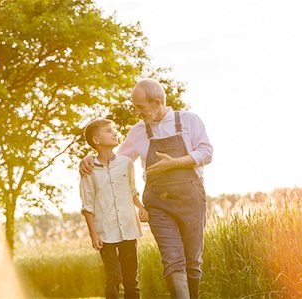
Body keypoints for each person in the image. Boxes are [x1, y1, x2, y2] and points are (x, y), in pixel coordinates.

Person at [80, 78, 213, 299]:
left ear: (157, 102)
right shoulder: (138, 131)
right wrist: (89, 158)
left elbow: (207, 153)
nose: (137, 112)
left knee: (193, 262)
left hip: (191, 200)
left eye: (140, 107)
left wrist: (177, 162)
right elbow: (114, 161)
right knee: (172, 259)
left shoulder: (189, 121)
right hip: (159, 205)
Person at [79, 118, 149, 299]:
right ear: (96, 140)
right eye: (109, 131)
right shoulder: (89, 170)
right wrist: (93, 234)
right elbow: (87, 205)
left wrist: (141, 207)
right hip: (105, 232)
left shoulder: (126, 163)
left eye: (114, 130)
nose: (114, 133)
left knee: (131, 280)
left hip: (128, 227)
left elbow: (132, 190)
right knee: (113, 277)